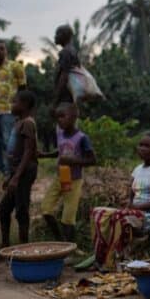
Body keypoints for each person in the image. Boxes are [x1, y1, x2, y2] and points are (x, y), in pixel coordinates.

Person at [89, 133, 150, 270]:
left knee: (120, 217)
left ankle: (113, 262)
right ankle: (100, 258)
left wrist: (138, 207)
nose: (142, 148)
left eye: (147, 146)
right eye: (141, 145)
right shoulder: (137, 170)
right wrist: (130, 207)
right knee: (98, 212)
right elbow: (131, 197)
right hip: (136, 212)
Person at [38, 102, 96, 242]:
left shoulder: (82, 138)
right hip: (60, 178)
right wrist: (45, 155)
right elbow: (61, 151)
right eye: (57, 117)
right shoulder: (60, 134)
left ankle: (71, 247)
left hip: (74, 180)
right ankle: (60, 241)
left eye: (63, 116)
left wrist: (72, 161)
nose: (59, 120)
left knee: (68, 218)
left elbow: (92, 160)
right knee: (46, 209)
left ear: (74, 117)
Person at [0, 90, 38, 249]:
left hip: (25, 172)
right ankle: (5, 246)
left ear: (25, 105)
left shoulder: (28, 123)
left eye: (15, 102)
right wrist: (11, 177)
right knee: (3, 209)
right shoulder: (18, 122)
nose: (12, 104)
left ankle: (24, 248)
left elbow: (29, 151)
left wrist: (16, 177)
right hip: (17, 173)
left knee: (21, 210)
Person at [0, 40, 27, 175]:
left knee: (8, 141)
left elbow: (23, 88)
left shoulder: (16, 67)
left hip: (9, 109)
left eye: (1, 49)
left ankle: (12, 169)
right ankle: (2, 171)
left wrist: (21, 109)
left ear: (6, 51)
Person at [52, 24, 80, 105]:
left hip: (65, 98)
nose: (55, 37)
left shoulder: (66, 52)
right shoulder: (72, 50)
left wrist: (55, 101)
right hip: (70, 97)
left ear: (64, 36)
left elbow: (64, 76)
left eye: (57, 34)